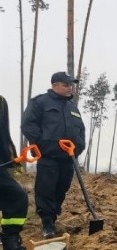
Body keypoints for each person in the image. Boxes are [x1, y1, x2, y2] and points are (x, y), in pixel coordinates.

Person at [21, 71, 86, 238]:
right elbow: (28, 125)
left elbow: (80, 130)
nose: (69, 88)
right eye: (66, 85)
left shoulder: (72, 107)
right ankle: (47, 223)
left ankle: (53, 216)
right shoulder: (40, 102)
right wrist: (45, 145)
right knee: (46, 189)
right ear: (55, 85)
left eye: (71, 85)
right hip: (49, 157)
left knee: (61, 189)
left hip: (68, 158)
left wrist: (78, 148)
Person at [0, 96, 28, 250]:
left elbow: (4, 132)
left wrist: (10, 156)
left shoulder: (1, 101)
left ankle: (10, 242)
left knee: (17, 196)